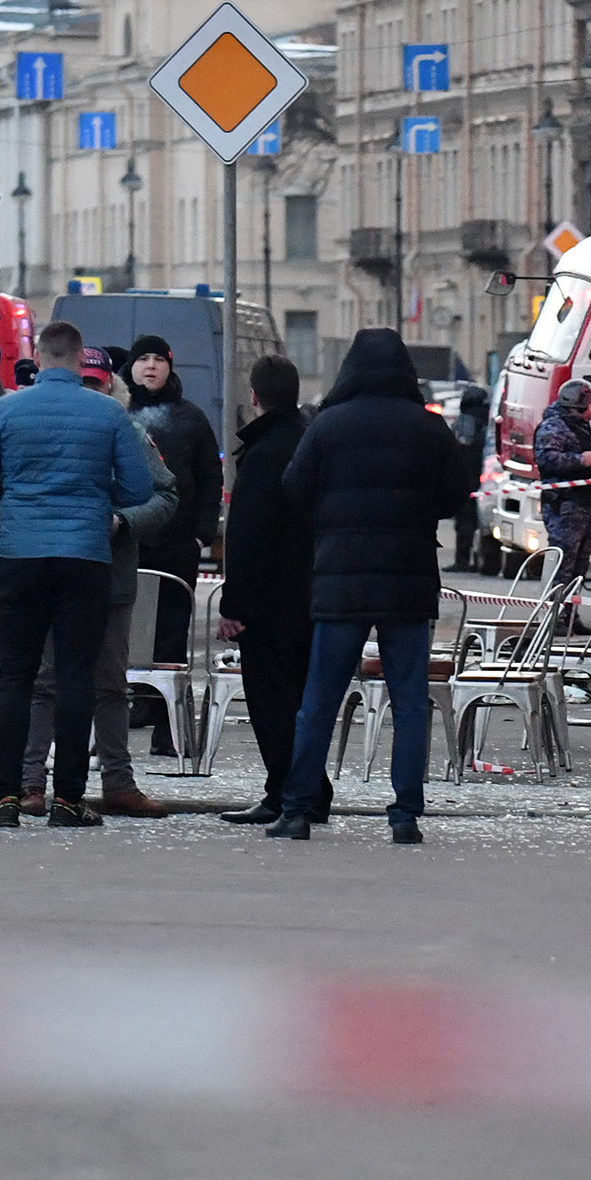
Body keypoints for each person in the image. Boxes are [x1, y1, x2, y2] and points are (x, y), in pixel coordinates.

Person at [267, 328, 478, 844]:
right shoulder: (427, 429)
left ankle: (296, 810)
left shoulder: (328, 425)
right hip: (408, 580)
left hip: (341, 577)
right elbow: (457, 494)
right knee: (408, 703)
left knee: (320, 699)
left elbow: (293, 488)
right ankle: (405, 814)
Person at [0, 321, 154, 829]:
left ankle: (7, 797)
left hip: (22, 556)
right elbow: (139, 491)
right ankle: (69, 800)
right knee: (75, 679)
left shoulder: (6, 409)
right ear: (76, 359)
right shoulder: (109, 412)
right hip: (85, 558)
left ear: (39, 357)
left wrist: (21, 486)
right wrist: (94, 487)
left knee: (17, 677)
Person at [16, 346, 179, 818]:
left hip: (109, 573)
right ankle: (31, 783)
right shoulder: (45, 428)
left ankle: (117, 782)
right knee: (46, 680)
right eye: (81, 382)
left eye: (97, 383)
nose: (89, 391)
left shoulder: (129, 433)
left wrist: (122, 521)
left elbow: (166, 494)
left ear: (111, 387)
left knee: (109, 683)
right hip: (55, 566)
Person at [215, 355, 317, 825]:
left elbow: (247, 533)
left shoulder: (262, 453)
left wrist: (234, 604)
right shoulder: (307, 441)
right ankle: (308, 790)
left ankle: (286, 793)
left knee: (272, 702)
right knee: (299, 700)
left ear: (254, 396)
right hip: (311, 592)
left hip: (269, 602)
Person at [121, 334, 221, 757]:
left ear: (170, 366)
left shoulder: (190, 418)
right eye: (142, 359)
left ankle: (167, 726)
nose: (150, 367)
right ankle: (136, 708)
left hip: (177, 542)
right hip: (130, 539)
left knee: (172, 633)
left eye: (158, 359)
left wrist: (201, 533)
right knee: (128, 630)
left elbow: (209, 479)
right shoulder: (119, 413)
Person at [532, 379, 591, 599]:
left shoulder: (577, 427)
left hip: (581, 504)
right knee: (563, 563)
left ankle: (568, 616)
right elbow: (547, 459)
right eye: (590, 403)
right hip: (565, 505)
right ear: (578, 404)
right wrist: (581, 460)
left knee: (579, 565)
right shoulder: (554, 426)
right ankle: (554, 616)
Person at [448, 384, 490, 573]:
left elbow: (463, 444)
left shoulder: (467, 421)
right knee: (479, 522)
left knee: (465, 522)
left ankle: (463, 560)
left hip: (466, 477)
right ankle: (478, 560)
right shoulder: (487, 418)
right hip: (485, 477)